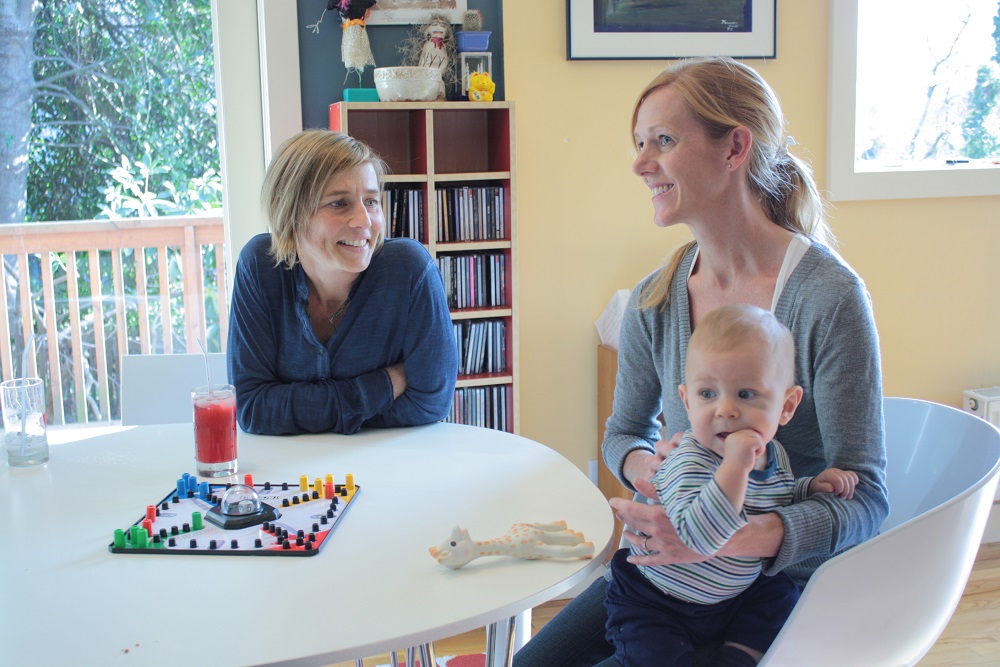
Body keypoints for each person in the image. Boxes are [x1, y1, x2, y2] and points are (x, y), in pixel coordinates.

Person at [513, 56, 888, 666]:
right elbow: (624, 434)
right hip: (665, 576)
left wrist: (732, 539)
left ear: (734, 148)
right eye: (639, 144)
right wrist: (656, 474)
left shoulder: (829, 297)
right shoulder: (654, 299)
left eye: (663, 141)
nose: (640, 163)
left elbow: (866, 498)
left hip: (772, 589)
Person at [603, 304, 859, 667]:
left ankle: (737, 657)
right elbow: (702, 538)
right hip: (656, 601)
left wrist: (811, 488)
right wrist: (737, 464)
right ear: (687, 401)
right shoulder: (688, 460)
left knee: (780, 596)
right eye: (708, 394)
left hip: (734, 595)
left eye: (746, 394)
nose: (725, 409)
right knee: (653, 653)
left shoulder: (774, 455)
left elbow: (777, 496)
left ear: (786, 406)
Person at [228, 130, 458, 435]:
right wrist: (385, 385)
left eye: (371, 201)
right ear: (290, 213)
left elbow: (430, 404)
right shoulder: (259, 266)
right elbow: (252, 407)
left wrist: (300, 410)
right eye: (339, 203)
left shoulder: (411, 270)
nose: (364, 220)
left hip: (391, 458)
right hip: (288, 464)